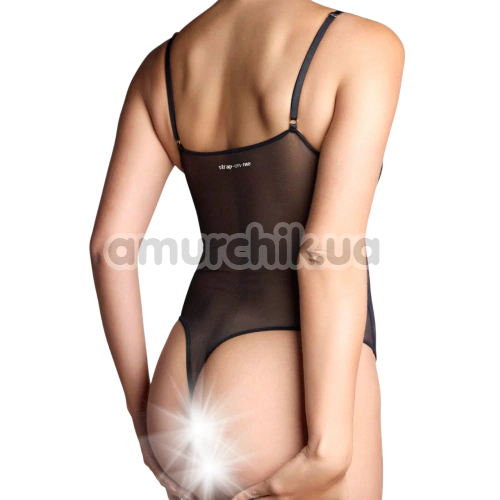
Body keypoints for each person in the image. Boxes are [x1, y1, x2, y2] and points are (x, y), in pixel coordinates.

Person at [90, 1, 404, 499]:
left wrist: (143, 416)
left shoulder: (161, 67)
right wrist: (328, 448)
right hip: (285, 398)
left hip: (181, 385)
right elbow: (325, 252)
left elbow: (109, 249)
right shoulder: (365, 47)